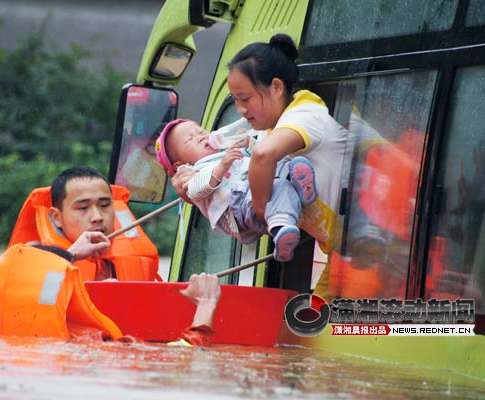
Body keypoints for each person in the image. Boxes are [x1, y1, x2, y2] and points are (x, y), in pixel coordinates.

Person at [171, 34, 348, 298]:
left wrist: (261, 207)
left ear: (276, 87)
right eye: (235, 101)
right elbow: (245, 222)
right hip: (344, 253)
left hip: (370, 240)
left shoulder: (305, 113)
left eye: (246, 99)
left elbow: (263, 156)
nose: (241, 109)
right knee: (313, 330)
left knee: (318, 330)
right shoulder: (268, 132)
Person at [36, 166, 222, 346]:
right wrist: (205, 306)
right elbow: (187, 357)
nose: (97, 216)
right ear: (56, 217)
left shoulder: (136, 269)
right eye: (83, 208)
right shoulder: (35, 261)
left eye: (105, 205)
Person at [155, 118, 317, 261]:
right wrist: (222, 166)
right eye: (191, 139)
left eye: (201, 131)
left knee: (280, 183)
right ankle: (284, 218)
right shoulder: (193, 171)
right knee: (251, 188)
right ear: (179, 164)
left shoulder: (226, 152)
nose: (201, 137)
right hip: (236, 206)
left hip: (256, 191)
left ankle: (285, 225)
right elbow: (198, 190)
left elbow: (259, 157)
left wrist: (249, 144)